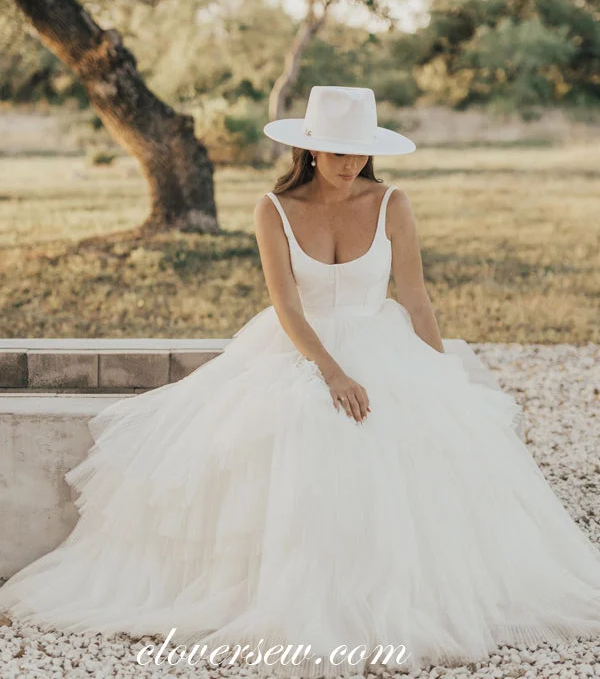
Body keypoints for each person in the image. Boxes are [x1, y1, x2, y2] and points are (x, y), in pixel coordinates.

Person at [1, 85, 600, 679]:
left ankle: (396, 588)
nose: (351, 162)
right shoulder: (274, 208)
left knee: (414, 453)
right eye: (339, 150)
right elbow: (286, 305)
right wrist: (332, 372)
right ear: (310, 149)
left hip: (383, 342)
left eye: (360, 150)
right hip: (300, 348)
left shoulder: (394, 204)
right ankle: (289, 589)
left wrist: (441, 377)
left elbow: (416, 299)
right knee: (298, 428)